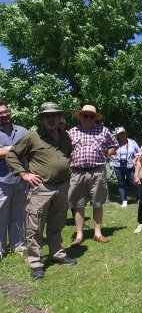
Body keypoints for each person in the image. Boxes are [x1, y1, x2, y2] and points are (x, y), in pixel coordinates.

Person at [6, 102, 76, 279]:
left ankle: (58, 254)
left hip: (62, 186)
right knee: (35, 226)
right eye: (47, 116)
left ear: (59, 117)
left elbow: (66, 155)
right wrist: (24, 174)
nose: (51, 119)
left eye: (54, 115)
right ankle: (36, 263)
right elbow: (12, 154)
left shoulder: (65, 136)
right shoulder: (32, 137)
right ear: (42, 118)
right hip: (41, 188)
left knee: (57, 223)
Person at [68, 105, 117, 246]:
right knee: (78, 204)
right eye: (85, 115)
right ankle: (79, 235)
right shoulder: (72, 132)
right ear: (80, 117)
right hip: (77, 172)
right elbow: (65, 150)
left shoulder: (104, 130)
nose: (88, 118)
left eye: (91, 116)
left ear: (95, 118)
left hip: (97, 171)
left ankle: (98, 233)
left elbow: (114, 145)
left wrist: (105, 154)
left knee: (97, 203)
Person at [0, 101, 29, 261]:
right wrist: (16, 149)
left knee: (19, 215)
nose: (4, 115)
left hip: (21, 180)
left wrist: (7, 150)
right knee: (1, 216)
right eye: (0, 113)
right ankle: (0, 249)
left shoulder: (22, 131)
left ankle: (18, 245)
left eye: (6, 111)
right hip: (2, 181)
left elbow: (30, 147)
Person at [110, 127, 140, 207]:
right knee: (121, 183)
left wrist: (135, 159)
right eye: (120, 134)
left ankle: (138, 198)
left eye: (123, 133)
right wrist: (114, 158)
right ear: (118, 136)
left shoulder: (132, 142)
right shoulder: (115, 143)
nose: (122, 135)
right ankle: (124, 200)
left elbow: (139, 152)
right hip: (118, 166)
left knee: (134, 182)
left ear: (126, 134)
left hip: (130, 166)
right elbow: (109, 152)